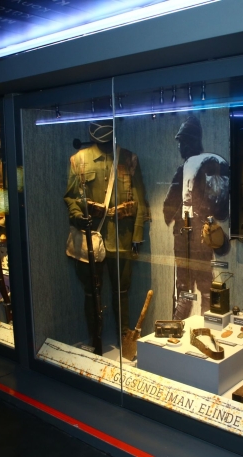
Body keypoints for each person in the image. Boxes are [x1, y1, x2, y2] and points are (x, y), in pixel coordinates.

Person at [64, 120, 149, 341]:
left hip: (122, 238)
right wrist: (77, 217)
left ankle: (123, 335)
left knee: (122, 291)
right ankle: (96, 340)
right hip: (92, 237)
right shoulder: (78, 160)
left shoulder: (129, 159)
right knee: (92, 292)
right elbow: (71, 197)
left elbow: (140, 201)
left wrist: (137, 235)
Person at [163, 116, 230, 319]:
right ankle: (207, 327)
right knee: (206, 288)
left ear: (189, 142)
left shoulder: (185, 169)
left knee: (184, 291)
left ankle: (178, 329)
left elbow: (168, 208)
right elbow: (221, 211)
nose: (180, 147)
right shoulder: (210, 165)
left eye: (182, 142)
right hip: (203, 235)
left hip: (185, 236)